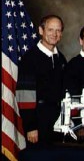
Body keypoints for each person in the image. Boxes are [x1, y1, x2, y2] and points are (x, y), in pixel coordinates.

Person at [16, 14, 67, 145]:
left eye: (58, 30)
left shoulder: (61, 59)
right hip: (38, 121)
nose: (54, 34)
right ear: (41, 30)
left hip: (59, 120)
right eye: (50, 30)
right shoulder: (29, 59)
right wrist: (31, 126)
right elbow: (25, 96)